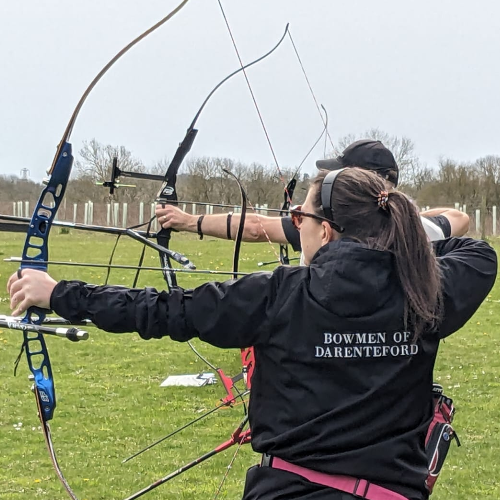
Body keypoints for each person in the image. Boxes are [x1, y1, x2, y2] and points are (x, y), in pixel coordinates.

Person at [8, 167, 496, 500]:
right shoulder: (428, 291)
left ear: (325, 231)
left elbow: (160, 310)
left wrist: (58, 294)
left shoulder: (278, 295)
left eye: (299, 218)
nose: (295, 225)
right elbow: (473, 249)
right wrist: (403, 230)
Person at [155, 140, 470, 248]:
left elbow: (255, 228)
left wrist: (188, 221)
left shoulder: (327, 228)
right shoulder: (421, 231)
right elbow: (459, 218)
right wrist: (406, 214)